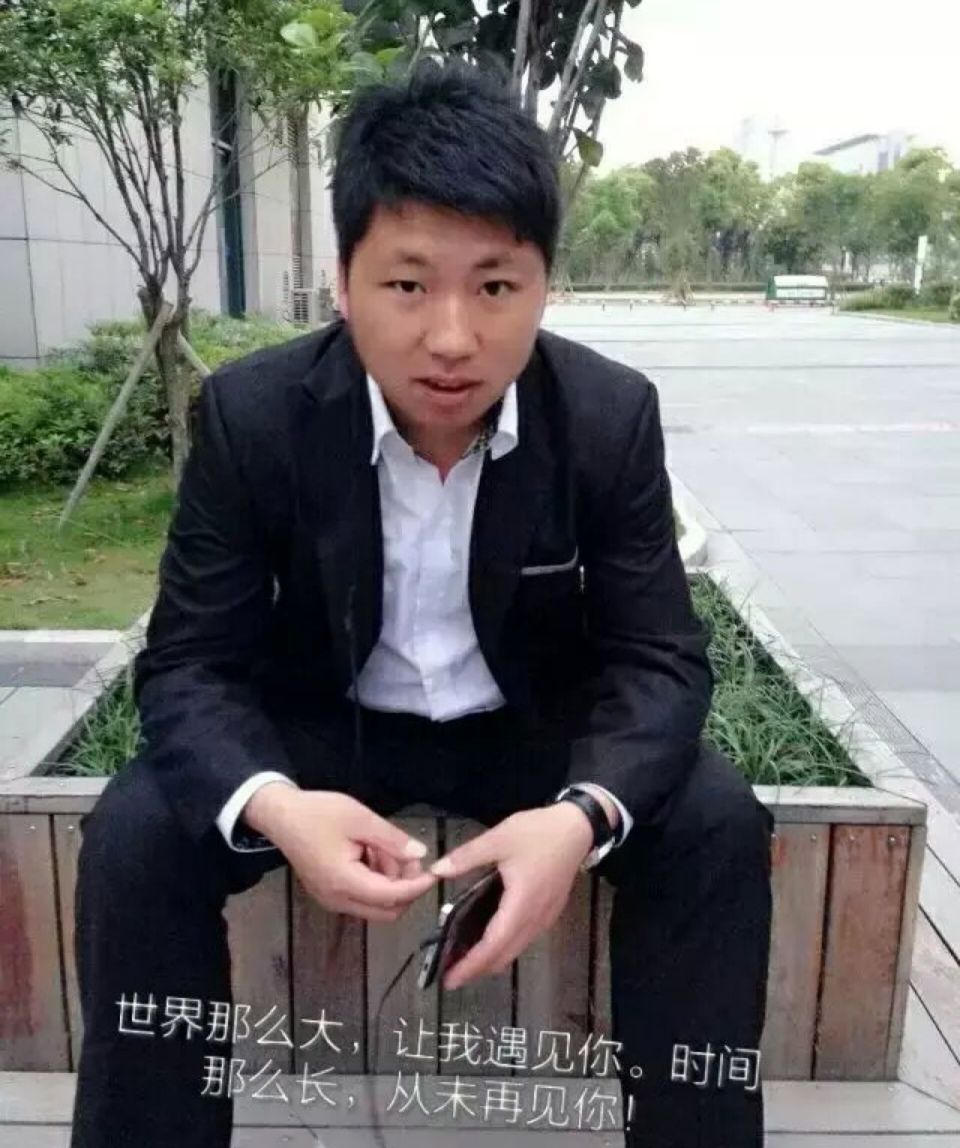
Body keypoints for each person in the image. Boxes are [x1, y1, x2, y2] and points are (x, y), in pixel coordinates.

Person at [70, 58, 774, 1148]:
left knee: (716, 823)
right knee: (137, 833)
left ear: (543, 286)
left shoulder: (606, 416)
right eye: (407, 285)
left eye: (495, 287)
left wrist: (580, 816)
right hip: (329, 727)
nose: (452, 337)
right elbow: (189, 662)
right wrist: (275, 803)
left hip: (527, 730)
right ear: (343, 281)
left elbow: (660, 659)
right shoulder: (256, 416)